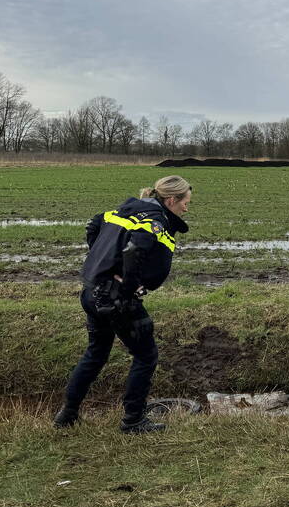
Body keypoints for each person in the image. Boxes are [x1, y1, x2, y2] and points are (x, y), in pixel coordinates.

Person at [53, 175, 192, 434]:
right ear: (172, 200)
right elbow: (135, 248)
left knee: (96, 353)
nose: (186, 208)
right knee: (146, 355)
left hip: (92, 292)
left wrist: (104, 264)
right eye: (186, 202)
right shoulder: (155, 219)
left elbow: (94, 224)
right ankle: (133, 420)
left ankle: (67, 414)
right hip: (117, 299)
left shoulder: (126, 209)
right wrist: (129, 286)